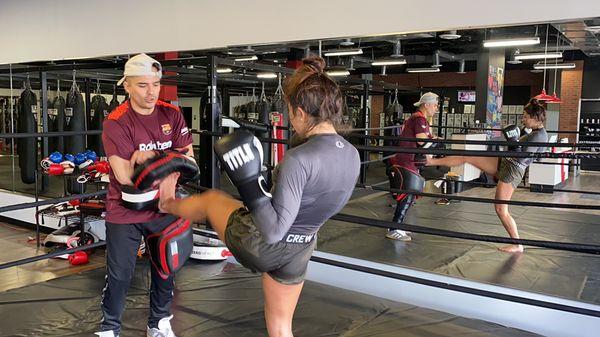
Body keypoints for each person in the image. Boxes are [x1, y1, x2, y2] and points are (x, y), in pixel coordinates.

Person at [158, 56, 360, 337]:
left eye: (290, 112)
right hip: (301, 249)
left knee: (212, 200)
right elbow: (319, 202)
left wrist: (250, 182)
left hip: (263, 243)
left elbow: (274, 230)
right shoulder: (352, 154)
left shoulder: (299, 159)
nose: (291, 119)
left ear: (301, 112)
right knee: (280, 328)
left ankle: (166, 202)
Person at [97, 53, 193, 337]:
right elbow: (127, 178)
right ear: (126, 85)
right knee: (120, 274)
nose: (151, 92)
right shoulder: (116, 122)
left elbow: (190, 162)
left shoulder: (172, 114)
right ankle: (109, 328)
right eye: (142, 85)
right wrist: (169, 160)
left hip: (164, 205)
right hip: (125, 209)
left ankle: (159, 322)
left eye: (155, 84)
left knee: (166, 267)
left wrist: (150, 158)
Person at [426, 98, 548, 253]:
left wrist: (514, 142)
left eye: (525, 116)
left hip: (512, 170)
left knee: (500, 209)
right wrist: (517, 140)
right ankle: (430, 161)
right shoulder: (535, 132)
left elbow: (525, 157)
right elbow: (532, 154)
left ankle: (517, 244)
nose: (522, 119)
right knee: (467, 156)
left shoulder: (539, 136)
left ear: (535, 118)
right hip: (505, 162)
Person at [385, 92, 439, 241]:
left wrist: (432, 139)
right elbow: (423, 143)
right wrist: (435, 142)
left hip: (409, 160)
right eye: (435, 105)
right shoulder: (418, 119)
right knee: (407, 195)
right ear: (426, 104)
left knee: (409, 195)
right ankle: (394, 228)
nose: (437, 108)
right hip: (405, 161)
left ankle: (397, 227)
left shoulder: (420, 119)